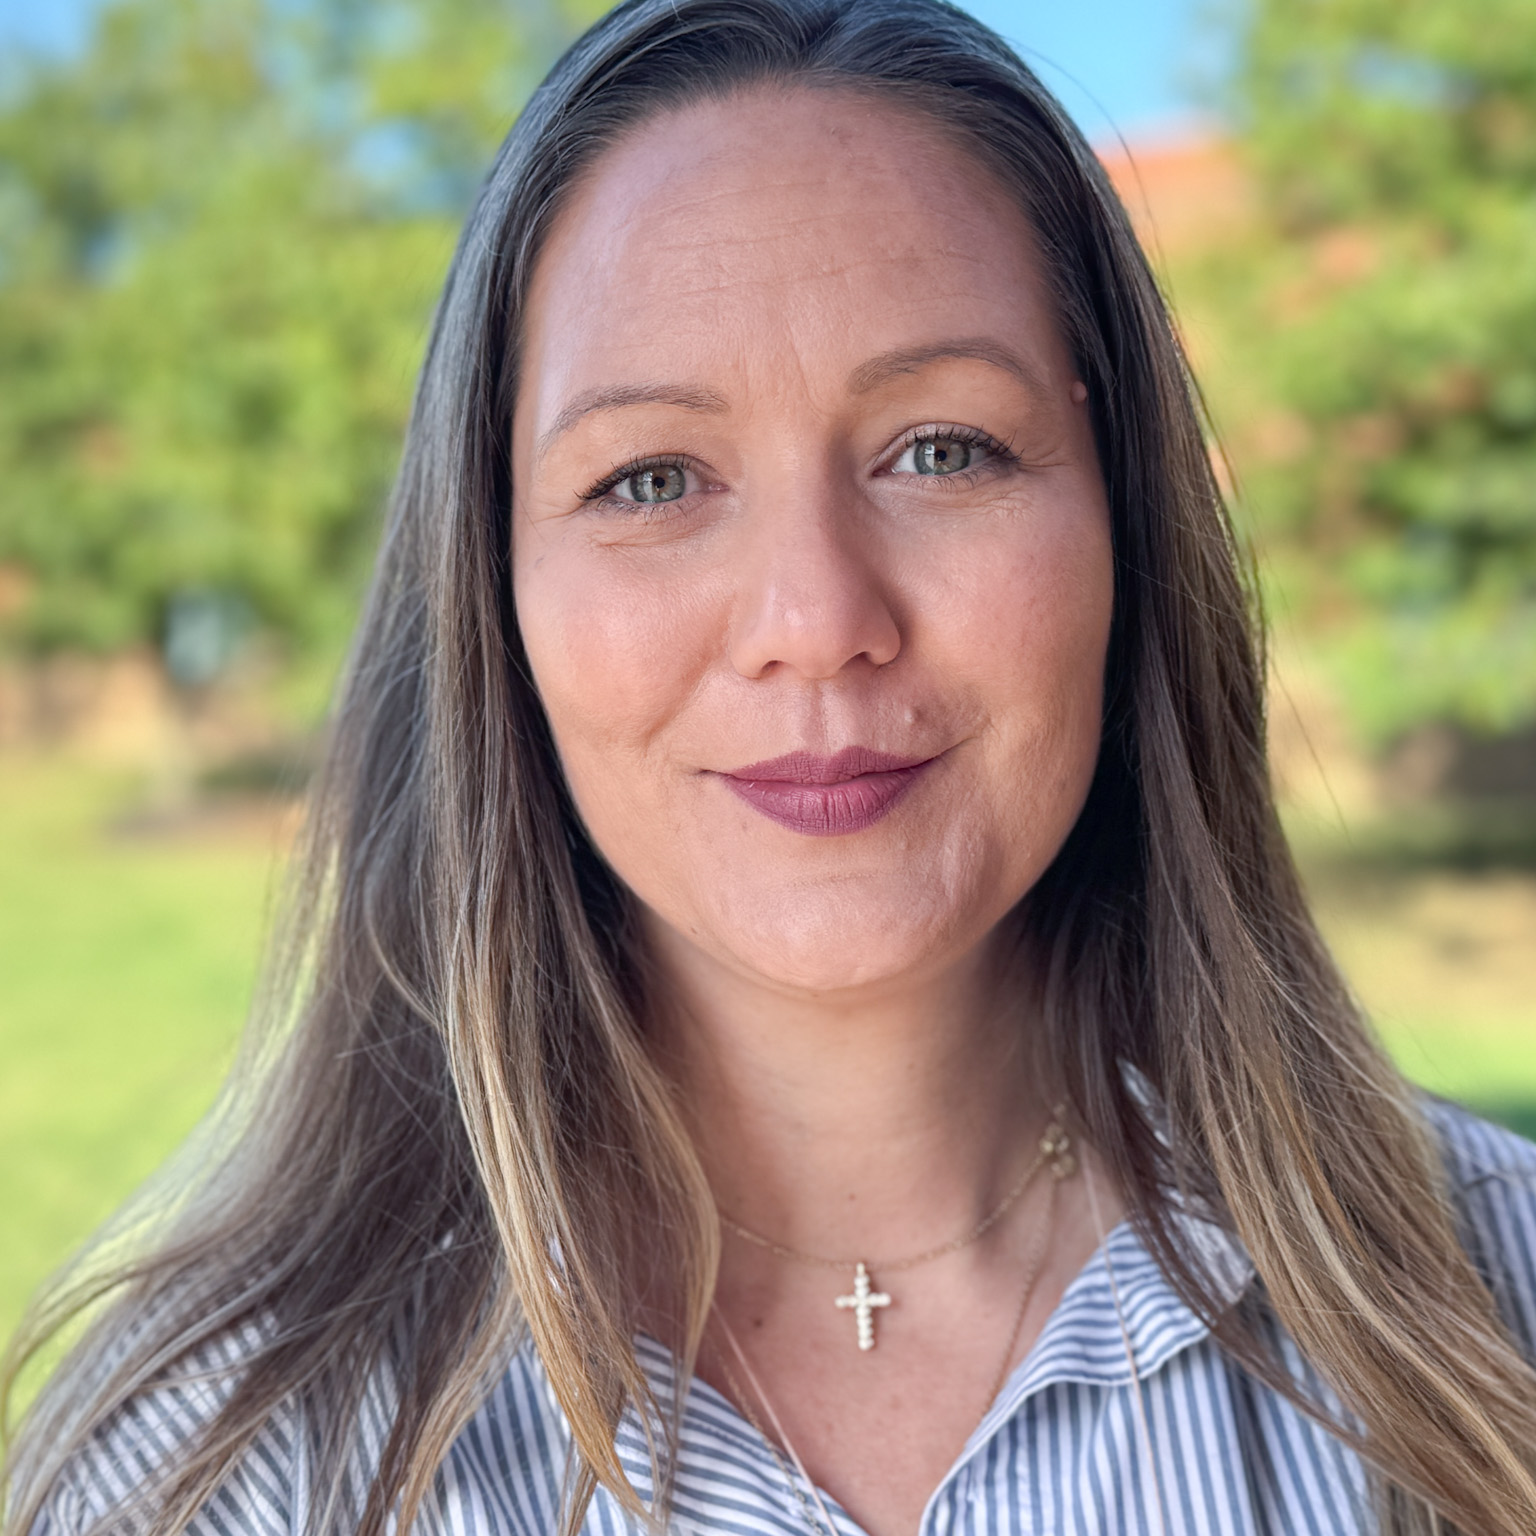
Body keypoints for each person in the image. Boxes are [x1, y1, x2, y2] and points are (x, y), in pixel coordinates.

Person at [7, 0, 1536, 1532]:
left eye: (942, 448)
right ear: (495, 602)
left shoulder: (1500, 1304)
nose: (817, 623)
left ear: (1124, 523)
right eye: (651, 478)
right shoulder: (204, 1469)